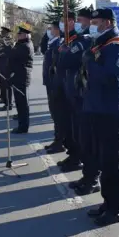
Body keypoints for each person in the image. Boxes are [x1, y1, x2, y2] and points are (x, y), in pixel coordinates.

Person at [81, 8, 119, 226]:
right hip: (98, 109)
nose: (92, 25)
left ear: (107, 23)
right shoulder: (100, 45)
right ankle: (108, 202)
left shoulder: (116, 46)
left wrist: (90, 62)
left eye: (96, 21)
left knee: (112, 161)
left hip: (111, 111)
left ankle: (116, 207)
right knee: (103, 159)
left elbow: (112, 77)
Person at [63, 9, 100, 193]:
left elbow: (68, 59)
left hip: (89, 98)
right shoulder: (82, 40)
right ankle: (88, 175)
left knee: (90, 141)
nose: (78, 23)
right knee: (82, 137)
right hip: (79, 93)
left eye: (81, 20)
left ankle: (92, 178)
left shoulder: (88, 41)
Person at [9, 23, 34, 134]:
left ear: (26, 35)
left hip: (21, 77)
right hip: (19, 77)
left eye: (20, 34)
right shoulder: (22, 44)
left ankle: (23, 126)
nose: (18, 35)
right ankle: (21, 123)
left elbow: (13, 57)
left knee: (22, 103)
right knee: (20, 102)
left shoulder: (25, 46)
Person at [43, 22, 64, 153]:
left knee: (59, 115)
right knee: (54, 114)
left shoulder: (59, 43)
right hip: (50, 82)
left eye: (51, 29)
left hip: (56, 82)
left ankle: (59, 142)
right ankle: (57, 140)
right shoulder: (52, 42)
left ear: (57, 30)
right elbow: (43, 47)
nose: (49, 31)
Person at [0, 27, 13, 109]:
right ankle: (4, 99)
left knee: (6, 85)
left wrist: (3, 43)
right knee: (1, 84)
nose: (1, 34)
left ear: (7, 33)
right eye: (2, 32)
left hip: (5, 66)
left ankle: (8, 103)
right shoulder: (1, 42)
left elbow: (9, 52)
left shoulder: (9, 42)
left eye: (3, 32)